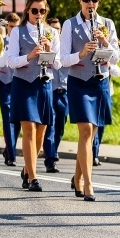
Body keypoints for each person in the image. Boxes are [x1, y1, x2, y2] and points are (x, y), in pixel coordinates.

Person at [60, 0, 120, 202]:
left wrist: (105, 42)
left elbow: (116, 58)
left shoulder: (107, 24)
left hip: (100, 82)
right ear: (80, 0)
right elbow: (62, 59)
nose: (91, 3)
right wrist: (81, 53)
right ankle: (88, 183)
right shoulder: (69, 24)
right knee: (85, 130)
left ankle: (77, 178)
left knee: (91, 133)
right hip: (78, 82)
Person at [6, 0, 60, 192]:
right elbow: (11, 61)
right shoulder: (17, 32)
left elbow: (59, 63)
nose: (38, 15)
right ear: (27, 10)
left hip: (44, 84)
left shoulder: (51, 33)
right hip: (23, 83)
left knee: (40, 132)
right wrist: (29, 56)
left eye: (42, 11)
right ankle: (33, 177)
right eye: (35, 11)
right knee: (28, 128)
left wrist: (48, 51)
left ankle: (27, 169)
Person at [43, 17, 68, 173]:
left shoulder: (66, 47)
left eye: (58, 29)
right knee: (50, 126)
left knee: (60, 127)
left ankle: (54, 150)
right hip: (50, 90)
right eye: (53, 29)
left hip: (64, 91)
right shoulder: (46, 45)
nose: (56, 31)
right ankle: (50, 159)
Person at [0, 13, 20, 167]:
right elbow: (0, 61)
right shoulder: (1, 42)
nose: (13, 29)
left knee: (17, 119)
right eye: (11, 26)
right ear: (7, 26)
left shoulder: (21, 42)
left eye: (16, 27)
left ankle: (9, 148)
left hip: (18, 82)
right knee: (7, 118)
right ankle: (11, 154)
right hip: (4, 81)